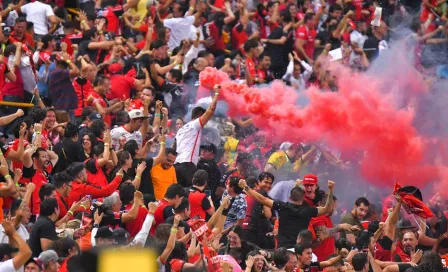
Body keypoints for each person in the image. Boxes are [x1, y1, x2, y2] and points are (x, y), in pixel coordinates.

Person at [238, 179, 335, 248]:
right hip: (299, 250)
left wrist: (246, 187)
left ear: (289, 198)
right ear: (303, 199)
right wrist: (330, 189)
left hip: (283, 249)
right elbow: (327, 209)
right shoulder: (308, 210)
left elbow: (262, 199)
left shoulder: (283, 206)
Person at [174, 84, 220, 187]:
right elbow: (211, 110)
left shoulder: (181, 130)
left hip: (176, 166)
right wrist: (216, 94)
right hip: (187, 166)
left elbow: (174, 147)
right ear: (200, 115)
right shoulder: (194, 125)